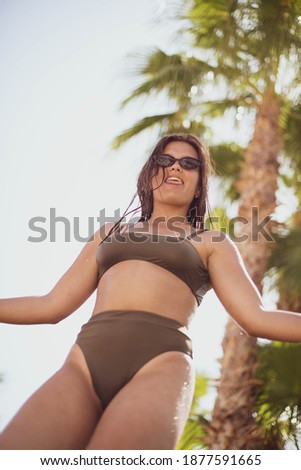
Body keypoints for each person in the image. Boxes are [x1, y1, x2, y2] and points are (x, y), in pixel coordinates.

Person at [0, 133, 301, 450]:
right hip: (82, 366)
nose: (175, 167)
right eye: (164, 160)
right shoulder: (110, 232)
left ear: (199, 185)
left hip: (161, 365)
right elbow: (52, 305)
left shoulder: (212, 241)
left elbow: (256, 317)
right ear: (150, 173)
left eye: (189, 163)